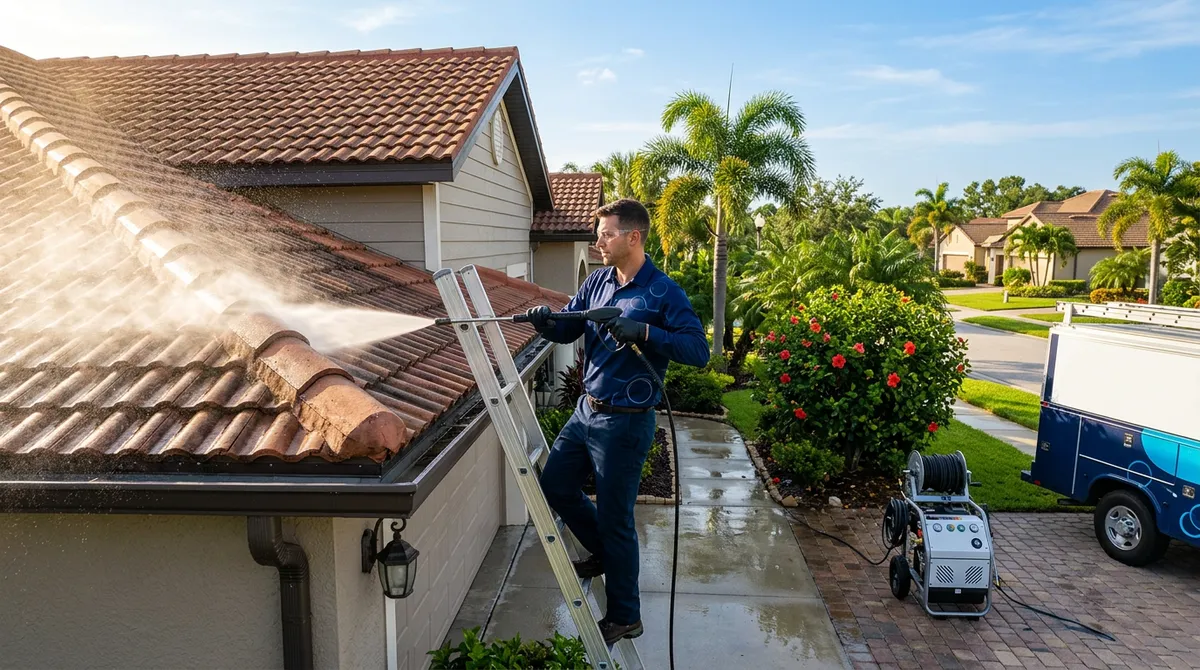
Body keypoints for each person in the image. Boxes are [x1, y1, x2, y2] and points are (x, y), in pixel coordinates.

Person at [524, 198, 709, 645]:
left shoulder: (663, 292)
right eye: (599, 233)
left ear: (634, 236)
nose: (598, 241)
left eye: (606, 233)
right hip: (586, 410)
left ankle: (626, 615)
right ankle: (606, 554)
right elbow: (570, 326)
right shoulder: (597, 281)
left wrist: (646, 333)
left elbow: (698, 352)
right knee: (555, 486)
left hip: (626, 423)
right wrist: (545, 323)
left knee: (616, 517)